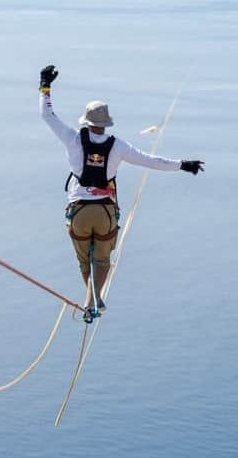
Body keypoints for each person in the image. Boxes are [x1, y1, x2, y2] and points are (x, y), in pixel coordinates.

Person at [38, 64, 203, 322]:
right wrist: (183, 165)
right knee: (102, 260)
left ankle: (89, 299)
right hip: (104, 211)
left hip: (79, 211)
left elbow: (48, 116)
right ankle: (95, 299)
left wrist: (45, 86)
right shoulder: (118, 147)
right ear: (105, 124)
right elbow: (151, 161)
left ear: (86, 122)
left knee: (85, 261)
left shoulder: (72, 139)